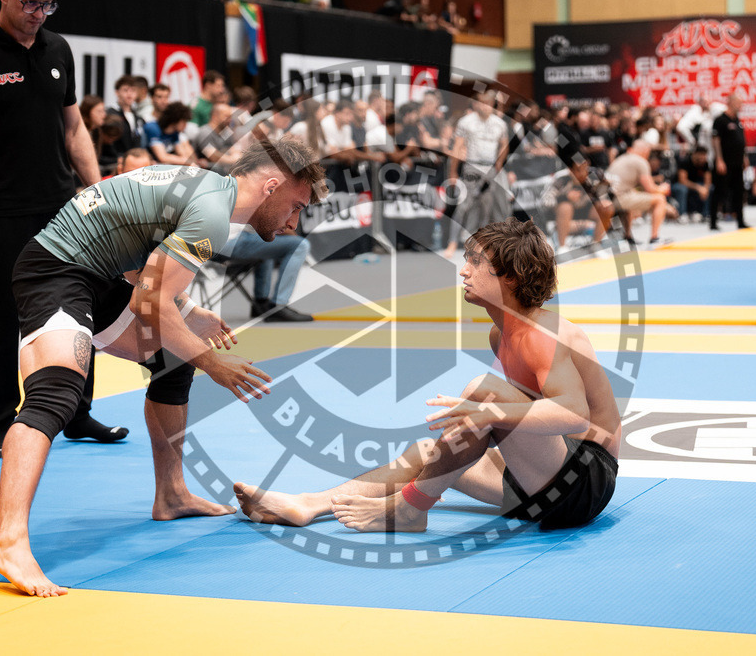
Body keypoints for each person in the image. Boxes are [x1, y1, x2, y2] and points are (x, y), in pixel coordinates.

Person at [0, 136, 326, 597]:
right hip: (57, 270)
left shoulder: (206, 191)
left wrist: (187, 308)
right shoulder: (212, 213)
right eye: (296, 206)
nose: (293, 222)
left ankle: (171, 494)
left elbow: (140, 263)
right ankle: (9, 542)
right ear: (270, 187)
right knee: (57, 393)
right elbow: (150, 301)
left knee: (171, 359)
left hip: (101, 275)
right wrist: (215, 365)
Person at [235, 218, 620, 533]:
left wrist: (489, 415)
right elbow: (507, 423)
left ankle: (409, 510)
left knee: (482, 394)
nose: (463, 270)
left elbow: (573, 413)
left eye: (475, 262)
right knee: (427, 452)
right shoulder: (499, 332)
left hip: (582, 484)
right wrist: (472, 432)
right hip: (540, 481)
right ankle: (309, 504)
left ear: (511, 278)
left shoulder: (541, 334)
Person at [0, 0, 127, 458]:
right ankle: (2, 423)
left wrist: (96, 187)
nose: (39, 13)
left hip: (63, 208)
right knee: (0, 319)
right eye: (31, 3)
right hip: (1, 211)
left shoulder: (58, 49)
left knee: (81, 310)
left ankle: (77, 413)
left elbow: (75, 127)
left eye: (48, 5)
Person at [444, 90, 511, 258]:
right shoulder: (466, 122)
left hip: (490, 169)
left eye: (488, 103)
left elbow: (504, 144)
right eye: (481, 103)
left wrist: (499, 164)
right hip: (472, 167)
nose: (485, 107)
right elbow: (458, 147)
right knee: (463, 205)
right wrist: (453, 172)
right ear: (475, 104)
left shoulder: (499, 123)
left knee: (486, 207)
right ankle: (452, 243)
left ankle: (480, 245)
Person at [605, 139, 669, 244]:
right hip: (617, 199)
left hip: (607, 198)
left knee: (632, 194)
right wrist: (662, 189)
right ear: (646, 151)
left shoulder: (621, 158)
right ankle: (654, 238)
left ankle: (627, 236)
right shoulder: (640, 161)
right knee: (660, 200)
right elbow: (651, 189)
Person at [712, 94, 748, 230]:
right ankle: (713, 222)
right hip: (725, 163)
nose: (740, 106)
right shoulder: (720, 120)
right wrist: (719, 159)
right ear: (730, 102)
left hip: (737, 163)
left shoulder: (737, 120)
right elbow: (715, 140)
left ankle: (740, 221)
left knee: (739, 192)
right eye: (739, 103)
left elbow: (741, 141)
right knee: (720, 191)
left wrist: (745, 157)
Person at [107, 75, 146, 156]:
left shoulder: (138, 118)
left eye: (133, 91)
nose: (129, 94)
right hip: (114, 160)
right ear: (117, 92)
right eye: (125, 90)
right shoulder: (110, 114)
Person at [673, 145, 712, 221]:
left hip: (697, 185)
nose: (703, 158)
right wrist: (699, 188)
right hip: (679, 185)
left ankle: (706, 214)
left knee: (711, 188)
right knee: (682, 189)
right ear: (695, 154)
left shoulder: (705, 164)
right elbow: (682, 180)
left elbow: (708, 180)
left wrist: (705, 188)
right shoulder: (685, 161)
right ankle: (682, 214)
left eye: (705, 155)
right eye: (702, 155)